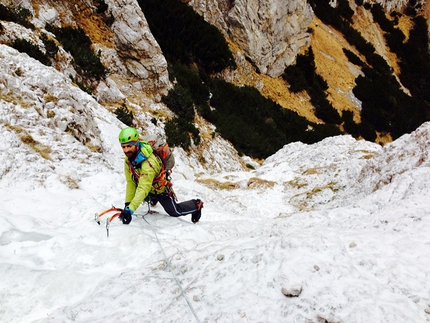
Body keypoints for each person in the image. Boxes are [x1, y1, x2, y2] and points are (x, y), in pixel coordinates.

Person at [118, 127, 203, 224]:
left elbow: (143, 188)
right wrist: (127, 204)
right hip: (149, 187)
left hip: (160, 189)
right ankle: (153, 199)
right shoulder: (129, 159)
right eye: (123, 147)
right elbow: (131, 182)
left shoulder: (149, 163)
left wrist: (130, 210)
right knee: (146, 192)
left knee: (175, 211)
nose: (126, 150)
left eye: (129, 146)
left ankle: (196, 205)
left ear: (137, 144)